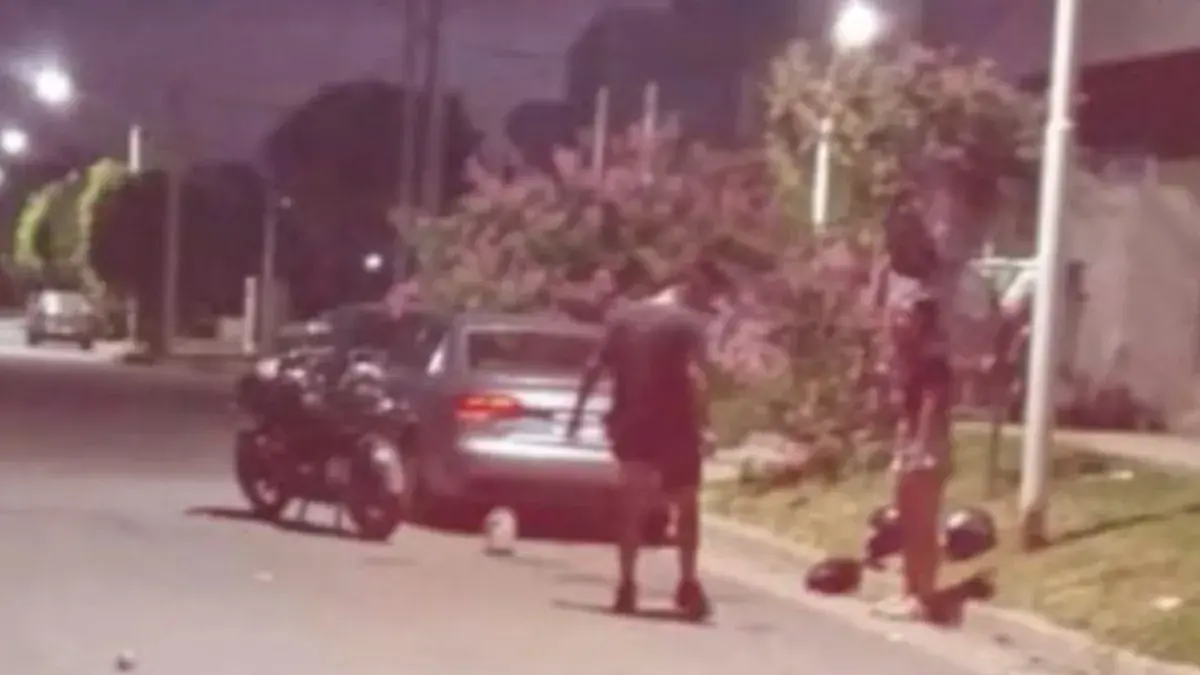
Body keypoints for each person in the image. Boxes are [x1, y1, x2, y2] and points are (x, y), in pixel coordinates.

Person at [566, 256, 728, 621]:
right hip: (676, 426)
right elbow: (697, 377)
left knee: (632, 505)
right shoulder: (687, 324)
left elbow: (594, 367)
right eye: (709, 296)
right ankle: (687, 580)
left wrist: (577, 414)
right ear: (693, 286)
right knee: (686, 506)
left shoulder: (624, 317)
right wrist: (706, 423)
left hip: (632, 423)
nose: (709, 305)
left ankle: (627, 582)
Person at [872, 154, 998, 622]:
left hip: (927, 415)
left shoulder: (934, 294)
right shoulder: (902, 284)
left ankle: (922, 594)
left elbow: (939, 369)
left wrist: (923, 432)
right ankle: (910, 588)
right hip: (909, 410)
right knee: (906, 507)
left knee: (921, 506)